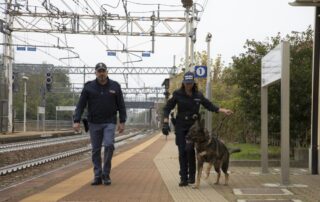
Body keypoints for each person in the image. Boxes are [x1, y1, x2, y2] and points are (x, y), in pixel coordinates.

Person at [162, 71, 233, 187]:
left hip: (193, 128)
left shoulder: (198, 95)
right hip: (180, 126)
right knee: (182, 152)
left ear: (193, 83)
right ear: (183, 83)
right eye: (186, 83)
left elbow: (209, 105)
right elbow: (167, 108)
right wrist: (165, 123)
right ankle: (183, 178)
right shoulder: (177, 94)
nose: (188, 85)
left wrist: (222, 110)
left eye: (190, 83)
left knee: (190, 149)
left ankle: (191, 177)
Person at [73, 62, 126, 186]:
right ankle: (97, 175)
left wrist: (122, 121)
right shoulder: (89, 87)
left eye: (103, 71)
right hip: (94, 123)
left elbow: (121, 105)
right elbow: (80, 105)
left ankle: (106, 174)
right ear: (95, 73)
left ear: (107, 72)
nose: (101, 73)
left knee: (109, 145)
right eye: (99, 71)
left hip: (110, 122)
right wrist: (76, 120)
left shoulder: (115, 86)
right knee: (96, 150)